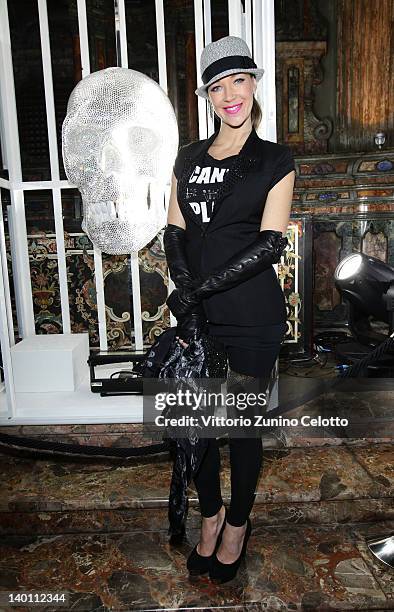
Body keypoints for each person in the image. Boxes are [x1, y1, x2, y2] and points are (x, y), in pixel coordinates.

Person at [163, 36, 295, 584]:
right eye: (217, 86)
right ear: (208, 97)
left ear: (254, 84)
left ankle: (238, 523)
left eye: (238, 81)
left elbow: (270, 244)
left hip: (251, 316)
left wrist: (200, 288)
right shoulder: (188, 158)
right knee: (197, 426)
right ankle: (211, 513)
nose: (229, 94)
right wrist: (186, 288)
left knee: (240, 427)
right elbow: (174, 229)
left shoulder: (275, 159)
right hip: (198, 319)